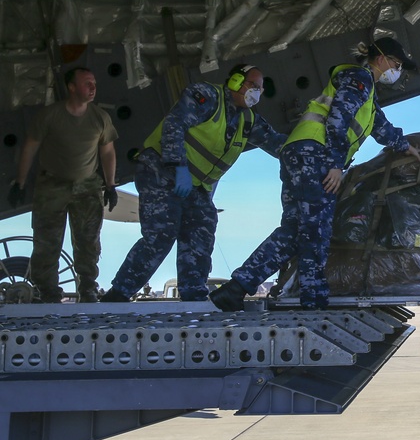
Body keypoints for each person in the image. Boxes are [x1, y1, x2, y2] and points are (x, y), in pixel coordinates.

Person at [210, 37, 420, 311]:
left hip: (300, 154)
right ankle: (313, 301)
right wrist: (334, 163)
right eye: (397, 64)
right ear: (381, 59)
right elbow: (338, 118)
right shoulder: (359, 79)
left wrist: (405, 146)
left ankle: (236, 288)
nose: (398, 70)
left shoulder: (365, 92)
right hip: (317, 155)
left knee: (295, 231)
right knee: (316, 230)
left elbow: (381, 126)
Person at [101, 64, 285, 302]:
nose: (257, 93)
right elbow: (175, 125)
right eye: (253, 86)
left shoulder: (248, 121)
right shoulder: (206, 96)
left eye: (260, 89)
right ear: (235, 82)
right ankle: (119, 293)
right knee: (162, 233)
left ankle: (193, 295)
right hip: (160, 170)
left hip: (194, 186)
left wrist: (315, 151)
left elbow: (279, 144)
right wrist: (179, 166)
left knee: (202, 226)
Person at [7, 67, 118, 303]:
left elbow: (107, 152)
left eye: (94, 83)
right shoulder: (50, 116)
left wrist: (110, 185)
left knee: (88, 242)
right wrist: (20, 182)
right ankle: (48, 292)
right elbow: (30, 147)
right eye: (87, 83)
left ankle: (88, 288)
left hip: (87, 187)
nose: (93, 88)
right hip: (52, 186)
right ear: (71, 87)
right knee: (47, 242)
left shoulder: (100, 117)